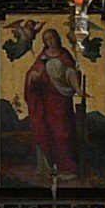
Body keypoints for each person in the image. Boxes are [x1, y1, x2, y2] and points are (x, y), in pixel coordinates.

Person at [23, 27, 82, 180]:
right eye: (47, 39)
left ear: (57, 38)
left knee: (63, 132)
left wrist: (77, 88)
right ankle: (47, 167)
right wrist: (33, 77)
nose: (50, 41)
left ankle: (68, 169)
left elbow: (71, 73)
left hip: (61, 100)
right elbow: (32, 73)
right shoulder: (42, 56)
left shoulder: (64, 55)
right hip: (45, 101)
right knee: (45, 130)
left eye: (52, 38)